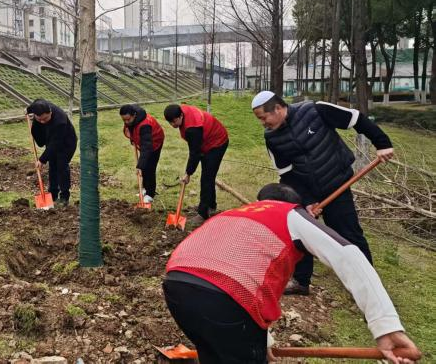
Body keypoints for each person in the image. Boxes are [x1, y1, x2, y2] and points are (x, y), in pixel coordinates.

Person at [163, 183, 420, 364]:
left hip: (176, 287)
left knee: (214, 355)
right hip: (224, 298)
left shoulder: (231, 215)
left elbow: (244, 276)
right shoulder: (291, 214)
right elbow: (348, 254)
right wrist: (386, 326)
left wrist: (261, 342)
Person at [251, 91, 395, 295]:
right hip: (306, 188)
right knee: (299, 232)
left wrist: (383, 143)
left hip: (337, 184)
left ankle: (370, 287)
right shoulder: (272, 138)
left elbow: (356, 119)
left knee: (349, 234)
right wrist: (307, 201)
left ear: (277, 108)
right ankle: (301, 281)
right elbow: (287, 174)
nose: (262, 123)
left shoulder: (315, 110)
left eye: (263, 117)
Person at [163, 104, 229, 225]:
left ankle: (203, 214)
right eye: (170, 122)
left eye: (174, 121)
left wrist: (188, 173)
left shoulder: (192, 128)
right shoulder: (179, 111)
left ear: (181, 115)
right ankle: (210, 206)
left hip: (217, 142)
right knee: (208, 176)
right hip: (206, 140)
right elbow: (196, 150)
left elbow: (195, 153)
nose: (172, 125)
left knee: (207, 178)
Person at [27, 99, 77, 206]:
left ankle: (64, 196)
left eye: (45, 118)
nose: (42, 122)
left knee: (61, 167)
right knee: (53, 166)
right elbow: (32, 105)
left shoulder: (60, 121)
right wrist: (27, 111)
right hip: (51, 139)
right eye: (39, 119)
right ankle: (52, 194)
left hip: (66, 143)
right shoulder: (38, 106)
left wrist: (42, 160)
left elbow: (56, 143)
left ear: (50, 112)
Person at [120, 104, 165, 204]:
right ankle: (145, 188)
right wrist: (132, 139)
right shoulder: (131, 120)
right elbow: (132, 130)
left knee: (149, 167)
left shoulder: (145, 125)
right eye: (124, 120)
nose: (126, 122)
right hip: (144, 142)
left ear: (134, 115)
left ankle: (150, 194)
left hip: (154, 142)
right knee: (144, 166)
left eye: (128, 119)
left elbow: (147, 148)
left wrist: (140, 166)